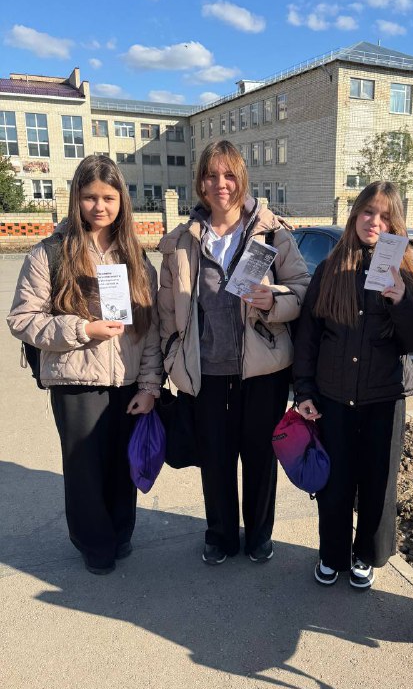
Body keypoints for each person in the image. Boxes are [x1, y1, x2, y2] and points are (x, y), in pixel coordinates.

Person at [7, 155, 162, 575]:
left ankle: (121, 533)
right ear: (76, 198)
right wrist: (82, 329)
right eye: (90, 197)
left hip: (127, 381)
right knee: (85, 471)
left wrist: (149, 386)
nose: (99, 206)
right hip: (75, 381)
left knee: (123, 465)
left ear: (121, 200)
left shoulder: (135, 257)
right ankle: (95, 545)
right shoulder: (50, 253)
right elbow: (22, 319)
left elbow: (151, 328)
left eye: (108, 198)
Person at [157, 139, 310, 566]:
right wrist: (171, 356)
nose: (220, 184)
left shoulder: (272, 232)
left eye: (228, 175)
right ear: (200, 183)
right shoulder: (183, 241)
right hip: (205, 371)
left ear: (241, 179)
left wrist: (273, 300)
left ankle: (259, 536)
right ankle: (220, 535)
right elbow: (167, 311)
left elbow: (302, 289)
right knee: (215, 460)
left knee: (259, 458)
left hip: (263, 371)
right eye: (211, 175)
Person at [293, 181, 413, 589]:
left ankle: (365, 555)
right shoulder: (330, 269)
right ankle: (332, 554)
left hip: (383, 398)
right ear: (355, 215)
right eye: (368, 212)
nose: (375, 222)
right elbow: (308, 336)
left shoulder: (406, 271)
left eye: (385, 216)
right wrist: (304, 391)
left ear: (395, 223)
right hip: (333, 397)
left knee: (377, 485)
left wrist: (401, 300)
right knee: (334, 484)